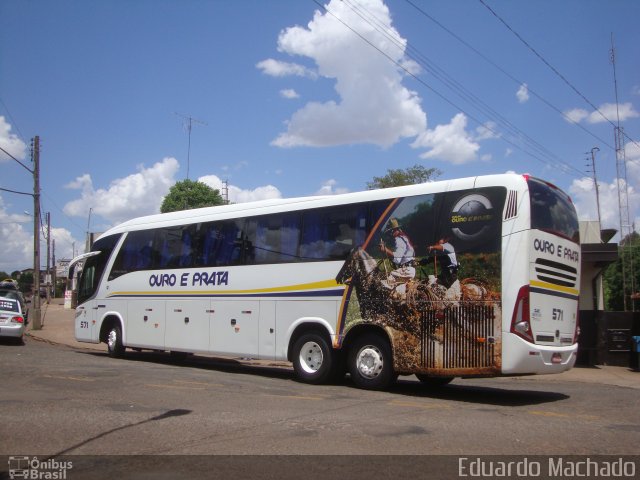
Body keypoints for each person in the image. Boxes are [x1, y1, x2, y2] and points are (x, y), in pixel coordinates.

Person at [379, 218, 416, 290]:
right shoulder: (403, 238)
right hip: (409, 269)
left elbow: (397, 257)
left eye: (390, 232)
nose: (390, 235)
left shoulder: (399, 239)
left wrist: (385, 249)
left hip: (406, 270)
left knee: (385, 283)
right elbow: (398, 260)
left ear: (393, 230)